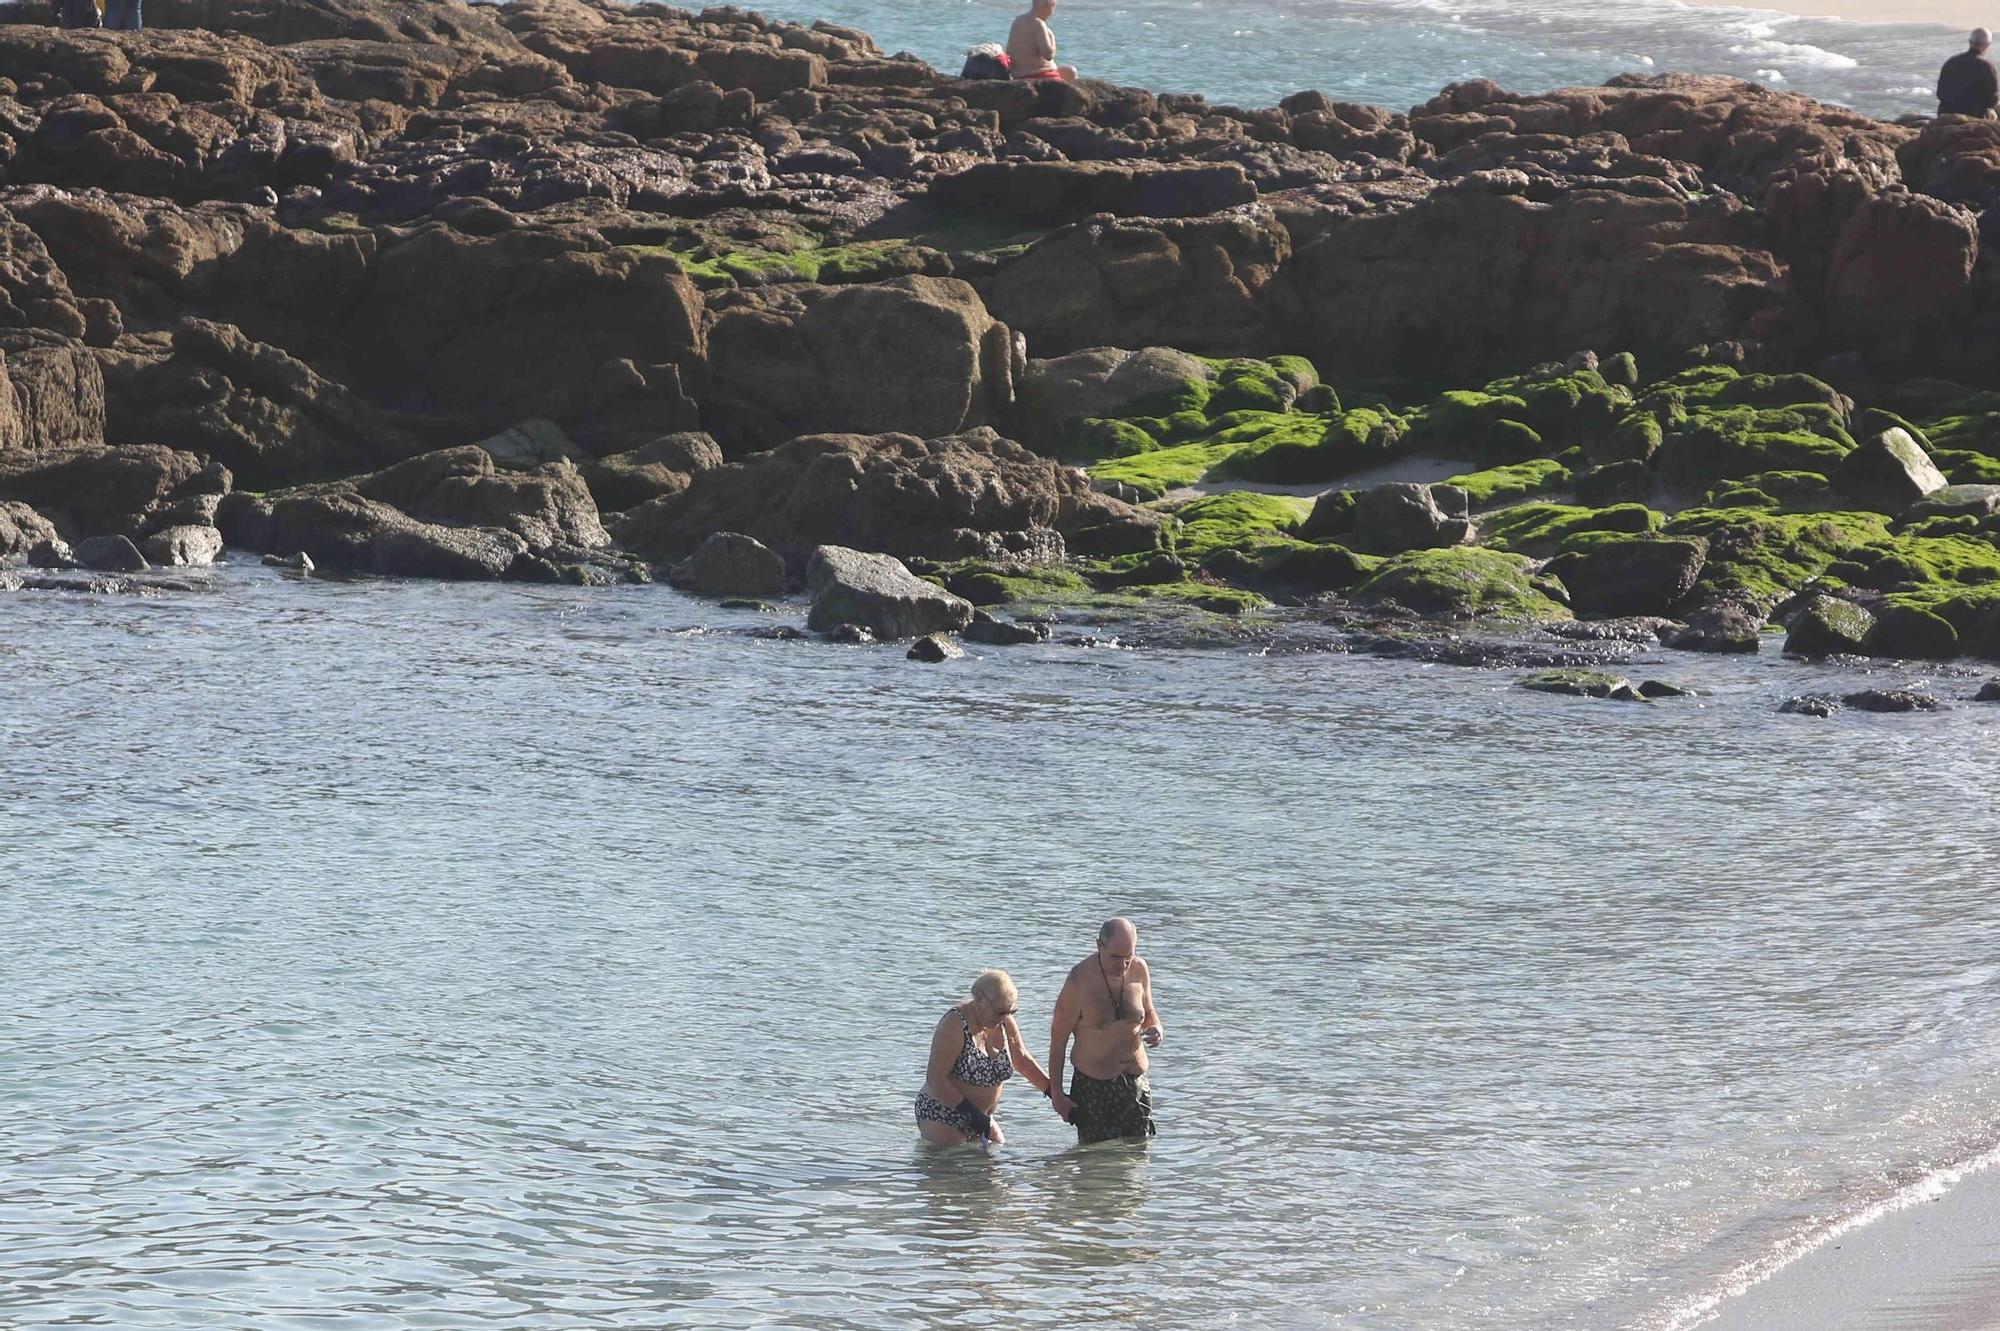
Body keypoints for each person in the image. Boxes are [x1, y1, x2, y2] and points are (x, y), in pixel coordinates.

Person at [1048, 916, 1162, 1143]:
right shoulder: (1079, 981)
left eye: (1128, 958)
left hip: (1135, 1083)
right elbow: (1058, 1042)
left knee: (1136, 1161)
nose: (1122, 965)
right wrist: (1058, 1095)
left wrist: (1156, 1027)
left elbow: (1149, 1012)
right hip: (1094, 1088)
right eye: (1115, 958)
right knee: (1095, 1166)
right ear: (1099, 945)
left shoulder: (1139, 969)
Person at [915, 969, 1055, 1146]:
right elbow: (935, 1079)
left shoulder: (1003, 1019)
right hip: (944, 1113)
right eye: (1000, 1012)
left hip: (982, 1117)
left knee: (997, 1156)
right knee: (952, 1167)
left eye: (1011, 1011)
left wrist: (1055, 1093)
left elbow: (1022, 1060)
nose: (1005, 1017)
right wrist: (971, 1114)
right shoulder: (955, 1023)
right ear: (980, 999)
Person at [1007, 0, 1078, 83]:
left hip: (1018, 74)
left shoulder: (1018, 20)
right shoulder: (1039, 24)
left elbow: (1009, 49)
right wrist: (1052, 38)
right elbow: (1048, 55)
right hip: (1038, 74)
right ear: (1048, 5)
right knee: (1072, 75)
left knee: (1070, 71)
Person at [1938, 28, 1999, 118]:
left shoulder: (1951, 62)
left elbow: (1940, 93)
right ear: (1987, 45)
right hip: (1974, 116)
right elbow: (1992, 99)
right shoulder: (1987, 66)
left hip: (1946, 113)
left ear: (1970, 42)